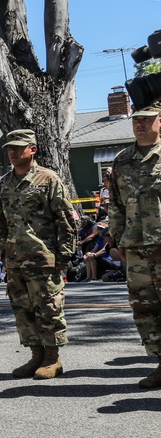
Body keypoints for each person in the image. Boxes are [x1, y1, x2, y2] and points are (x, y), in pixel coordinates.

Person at [0, 129, 76, 381]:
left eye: (19, 147)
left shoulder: (48, 179)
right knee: (23, 310)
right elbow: (1, 221)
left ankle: (53, 358)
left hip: (43, 258)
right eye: (10, 148)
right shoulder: (4, 183)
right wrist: (2, 252)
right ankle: (36, 356)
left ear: (33, 149)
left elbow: (65, 219)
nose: (13, 152)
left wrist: (64, 255)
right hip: (15, 258)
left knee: (48, 308)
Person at [109, 101, 161, 388]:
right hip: (137, 246)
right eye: (136, 119)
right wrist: (119, 240)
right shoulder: (122, 159)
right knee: (145, 308)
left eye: (147, 119)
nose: (140, 124)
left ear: (160, 121)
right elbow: (115, 204)